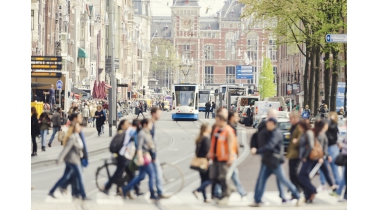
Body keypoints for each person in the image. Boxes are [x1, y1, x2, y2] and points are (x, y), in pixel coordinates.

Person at [251, 117, 303, 207]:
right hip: (267, 161)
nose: (267, 125)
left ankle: (298, 196)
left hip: (275, 162)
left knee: (284, 180)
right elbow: (258, 137)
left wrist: (258, 151)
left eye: (268, 124)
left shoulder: (276, 133)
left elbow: (270, 146)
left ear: (273, 124)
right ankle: (257, 200)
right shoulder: (270, 132)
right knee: (261, 180)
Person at [250, 108, 289, 204]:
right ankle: (286, 195)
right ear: (271, 116)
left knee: (269, 177)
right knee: (278, 176)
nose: (276, 118)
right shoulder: (267, 126)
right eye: (275, 116)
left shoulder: (265, 125)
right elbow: (272, 144)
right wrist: (258, 150)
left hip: (269, 154)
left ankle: (259, 198)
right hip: (269, 154)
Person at [119, 119, 158, 201]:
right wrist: (140, 157)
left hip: (145, 156)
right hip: (144, 157)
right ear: (145, 125)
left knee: (141, 176)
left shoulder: (146, 133)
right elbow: (139, 146)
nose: (151, 125)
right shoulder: (142, 134)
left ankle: (125, 189)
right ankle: (152, 194)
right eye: (149, 124)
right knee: (152, 175)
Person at [49, 121, 88, 200]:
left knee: (65, 177)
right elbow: (66, 149)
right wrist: (59, 159)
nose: (79, 128)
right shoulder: (73, 137)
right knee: (79, 177)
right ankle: (83, 195)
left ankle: (53, 190)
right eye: (78, 127)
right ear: (74, 129)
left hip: (75, 159)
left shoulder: (77, 136)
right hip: (72, 160)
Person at [102, 119, 142, 196]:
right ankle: (107, 187)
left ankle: (135, 190)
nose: (128, 125)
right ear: (122, 125)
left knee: (130, 173)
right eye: (127, 123)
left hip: (125, 156)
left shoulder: (126, 132)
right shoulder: (123, 133)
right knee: (119, 173)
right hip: (123, 156)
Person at [207, 109, 235, 205]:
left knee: (222, 177)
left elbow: (231, 146)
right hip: (215, 158)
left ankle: (225, 196)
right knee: (213, 177)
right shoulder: (216, 129)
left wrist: (230, 158)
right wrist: (210, 153)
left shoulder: (228, 131)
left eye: (217, 120)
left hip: (224, 158)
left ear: (222, 120)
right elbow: (213, 143)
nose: (216, 122)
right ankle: (229, 188)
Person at [58, 113, 89, 198]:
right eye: (80, 117)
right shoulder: (75, 128)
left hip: (77, 156)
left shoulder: (77, 127)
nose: (81, 118)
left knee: (74, 175)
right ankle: (80, 193)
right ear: (75, 118)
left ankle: (74, 192)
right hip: (76, 157)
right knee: (79, 176)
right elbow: (74, 144)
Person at [150, 107, 169, 199]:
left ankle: (126, 188)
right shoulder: (150, 124)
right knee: (157, 172)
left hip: (149, 153)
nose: (160, 115)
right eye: (159, 114)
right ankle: (159, 191)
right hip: (150, 154)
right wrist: (153, 154)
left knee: (142, 175)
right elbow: (150, 140)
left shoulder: (152, 123)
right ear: (154, 114)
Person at [319, 112, 341, 189]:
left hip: (328, 147)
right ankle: (337, 183)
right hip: (333, 147)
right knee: (334, 168)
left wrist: (328, 121)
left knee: (323, 167)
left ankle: (323, 184)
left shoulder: (329, 125)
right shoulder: (336, 125)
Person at [227, 111, 247, 198]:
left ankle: (241, 192)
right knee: (226, 175)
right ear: (232, 118)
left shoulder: (232, 127)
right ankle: (217, 191)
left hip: (232, 155)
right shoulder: (229, 128)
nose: (238, 118)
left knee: (234, 174)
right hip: (230, 156)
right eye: (236, 117)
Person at [192, 123, 212, 203]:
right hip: (204, 161)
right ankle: (197, 190)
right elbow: (208, 151)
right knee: (211, 179)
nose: (210, 129)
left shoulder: (199, 138)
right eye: (209, 128)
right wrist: (209, 160)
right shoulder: (206, 138)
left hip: (199, 161)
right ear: (206, 129)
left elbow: (196, 151)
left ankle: (205, 198)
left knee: (203, 179)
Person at [286, 111, 303, 192]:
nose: (289, 120)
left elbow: (302, 137)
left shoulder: (299, 127)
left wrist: (297, 141)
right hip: (292, 153)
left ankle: (298, 187)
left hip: (296, 153)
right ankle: (294, 186)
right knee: (292, 172)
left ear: (295, 118)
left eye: (290, 118)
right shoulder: (293, 126)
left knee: (293, 172)